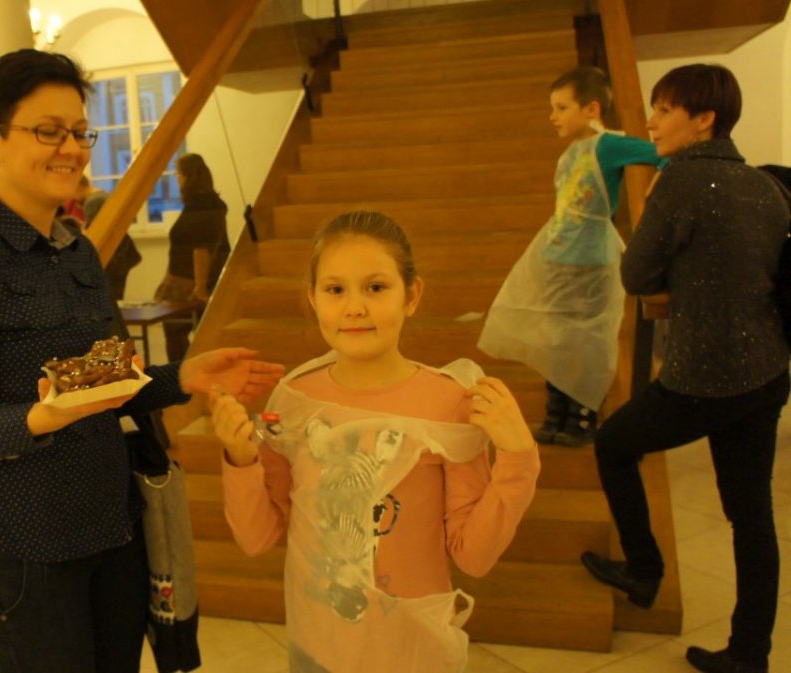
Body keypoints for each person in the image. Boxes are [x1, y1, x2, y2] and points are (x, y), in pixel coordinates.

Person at [0, 48, 284, 673]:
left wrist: (182, 377)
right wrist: (41, 417)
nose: (72, 149)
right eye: (48, 131)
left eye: (80, 133)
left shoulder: (78, 251)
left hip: (114, 533)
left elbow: (107, 386)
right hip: (25, 552)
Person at [210, 210, 540, 673]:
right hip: (319, 644)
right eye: (335, 290)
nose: (354, 307)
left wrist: (518, 458)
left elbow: (474, 555)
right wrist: (241, 459)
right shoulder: (294, 399)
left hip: (410, 650)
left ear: (412, 295)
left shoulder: (450, 404)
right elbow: (257, 537)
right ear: (313, 298)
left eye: (376, 287)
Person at [580, 64, 790, 673]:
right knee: (752, 516)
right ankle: (750, 653)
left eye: (665, 109)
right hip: (767, 372)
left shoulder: (681, 182)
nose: (651, 121)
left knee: (614, 444)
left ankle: (644, 570)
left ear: (705, 119)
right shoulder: (767, 186)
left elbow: (636, 275)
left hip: (704, 378)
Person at [477, 66, 664, 446]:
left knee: (585, 340)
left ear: (591, 108)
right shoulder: (570, 153)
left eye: (562, 108)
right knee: (557, 339)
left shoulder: (608, 146)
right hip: (558, 257)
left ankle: (582, 414)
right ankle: (557, 411)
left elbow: (662, 153)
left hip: (590, 259)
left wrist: (663, 175)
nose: (553, 116)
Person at [156, 153, 230, 362]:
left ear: (189, 176)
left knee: (175, 331)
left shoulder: (200, 205)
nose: (177, 179)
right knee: (179, 331)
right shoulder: (208, 203)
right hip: (187, 278)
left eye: (178, 174)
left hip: (190, 282)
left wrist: (200, 287)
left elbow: (200, 249)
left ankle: (180, 375)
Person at [84, 187, 141, 300]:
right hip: (121, 254)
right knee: (114, 295)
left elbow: (93, 227)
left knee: (109, 294)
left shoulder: (93, 202)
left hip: (114, 256)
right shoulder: (104, 197)